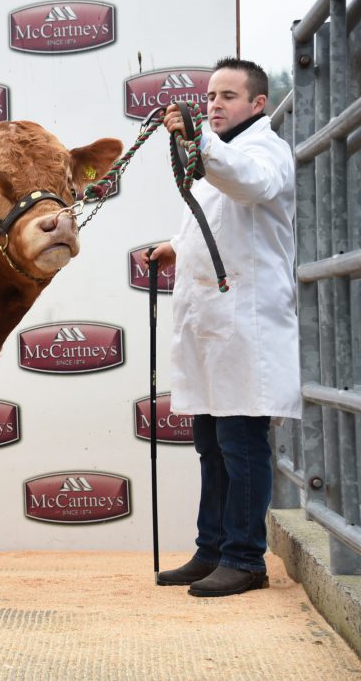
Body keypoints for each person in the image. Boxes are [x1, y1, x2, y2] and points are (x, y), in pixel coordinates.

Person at [144, 57, 301, 597]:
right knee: (212, 442)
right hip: (213, 324)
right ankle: (211, 550)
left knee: (240, 442)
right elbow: (216, 219)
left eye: (229, 96)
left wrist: (200, 144)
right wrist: (174, 246)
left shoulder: (263, 152)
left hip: (245, 323)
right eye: (211, 95)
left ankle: (244, 557)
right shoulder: (218, 154)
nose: (214, 104)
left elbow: (251, 187)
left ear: (258, 104)